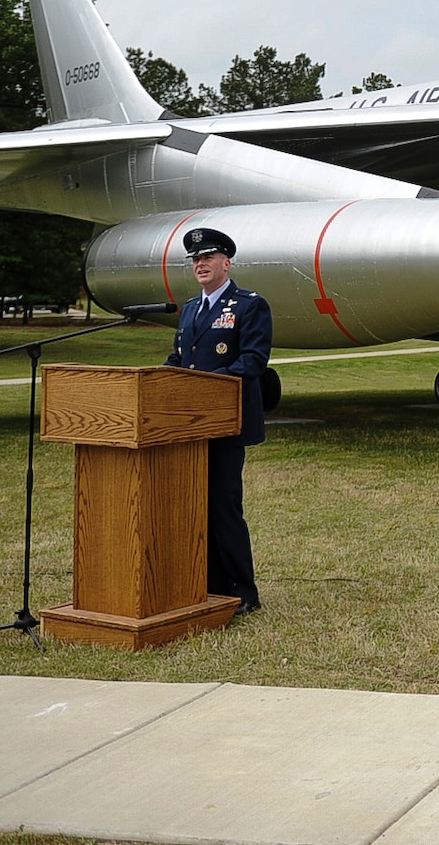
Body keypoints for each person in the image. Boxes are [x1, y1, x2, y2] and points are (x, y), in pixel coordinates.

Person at [165, 226, 271, 616]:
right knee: (197, 507)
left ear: (227, 263)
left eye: (208, 257)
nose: (201, 264)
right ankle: (208, 586)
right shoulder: (191, 309)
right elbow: (178, 360)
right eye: (196, 259)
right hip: (190, 427)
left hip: (228, 423)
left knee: (225, 508)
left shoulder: (249, 305)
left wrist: (208, 384)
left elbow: (253, 361)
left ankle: (244, 592)